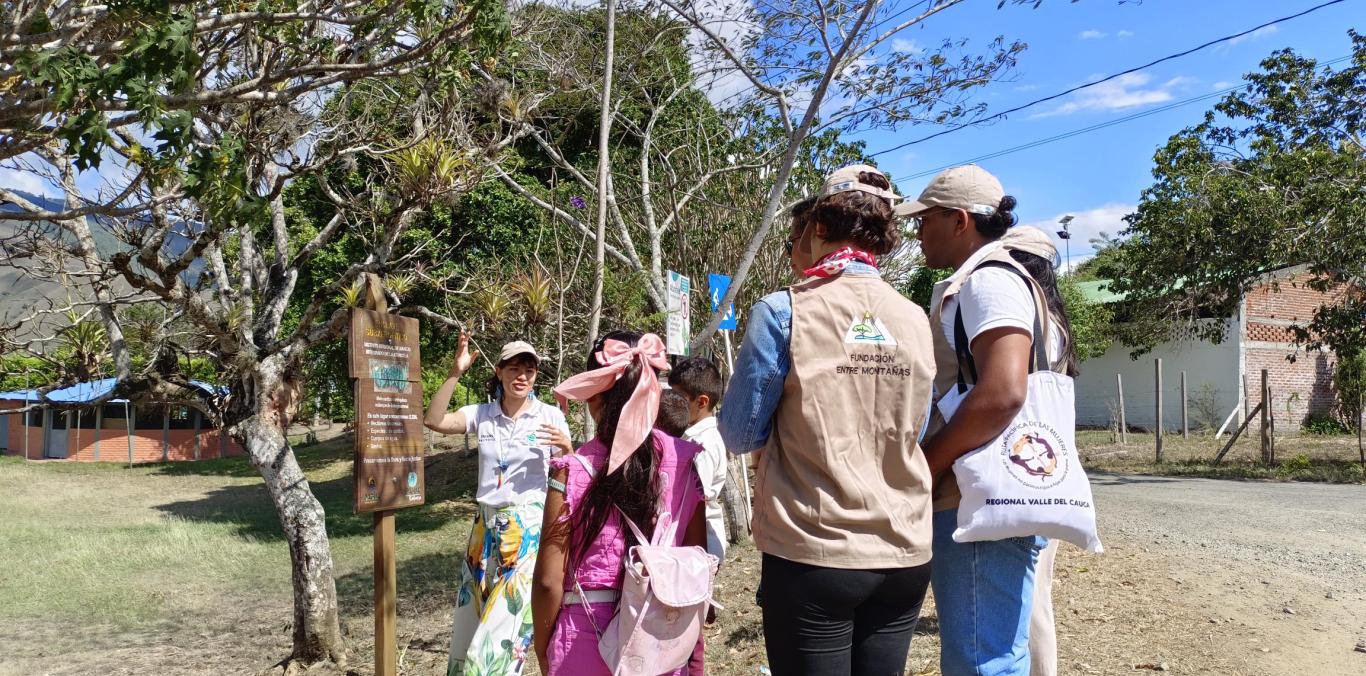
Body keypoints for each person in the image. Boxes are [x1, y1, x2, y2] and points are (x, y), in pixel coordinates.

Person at [719, 164, 937, 675]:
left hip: (814, 550)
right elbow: (917, 429)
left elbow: (739, 432)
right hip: (904, 552)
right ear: (885, 235)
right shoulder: (914, 317)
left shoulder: (784, 311)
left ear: (818, 225)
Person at [897, 164, 1051, 676]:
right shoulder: (1002, 277)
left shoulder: (987, 281)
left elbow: (1003, 390)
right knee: (994, 650)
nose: (916, 232)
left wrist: (927, 465)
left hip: (977, 495)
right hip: (987, 488)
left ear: (960, 220)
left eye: (925, 220)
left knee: (982, 659)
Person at [530, 331, 708, 676]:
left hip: (583, 639)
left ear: (594, 398)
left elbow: (549, 581)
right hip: (658, 640)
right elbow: (695, 554)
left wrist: (542, 647)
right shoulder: (685, 462)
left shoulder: (571, 471)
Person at [424, 334, 573, 676]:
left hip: (527, 532)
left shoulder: (550, 417)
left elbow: (569, 474)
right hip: (484, 532)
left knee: (500, 636)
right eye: (515, 368)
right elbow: (434, 420)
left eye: (530, 370)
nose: (522, 376)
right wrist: (455, 372)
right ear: (499, 371)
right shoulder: (483, 415)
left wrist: (567, 450)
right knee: (470, 624)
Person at [998, 225, 1081, 676]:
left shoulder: (1025, 322)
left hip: (1022, 471)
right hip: (1051, 471)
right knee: (1039, 593)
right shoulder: (1059, 324)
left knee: (1032, 600)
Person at [668, 357, 729, 561]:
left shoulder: (701, 445)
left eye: (679, 398)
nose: (673, 404)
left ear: (702, 402)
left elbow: (694, 501)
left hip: (699, 546)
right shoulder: (693, 437)